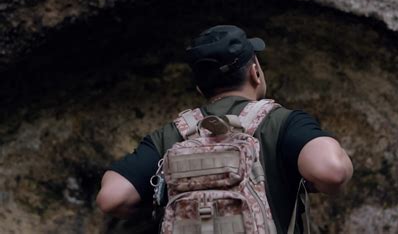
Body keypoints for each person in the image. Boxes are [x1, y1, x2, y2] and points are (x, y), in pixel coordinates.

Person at [96, 25, 353, 233]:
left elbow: (112, 197)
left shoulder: (172, 135)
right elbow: (332, 170)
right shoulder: (282, 123)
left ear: (200, 88)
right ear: (255, 73)